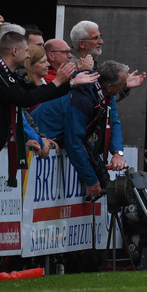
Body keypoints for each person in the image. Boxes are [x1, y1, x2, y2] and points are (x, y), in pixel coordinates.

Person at [0, 31, 92, 187]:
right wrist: (57, 81)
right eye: (26, 51)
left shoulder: (9, 73)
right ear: (15, 51)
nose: (28, 56)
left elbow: (33, 92)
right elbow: (24, 99)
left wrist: (71, 84)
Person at [32, 60, 128, 200]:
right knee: (94, 174)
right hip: (45, 134)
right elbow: (74, 143)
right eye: (122, 85)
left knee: (102, 176)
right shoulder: (82, 98)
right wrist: (90, 180)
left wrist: (117, 153)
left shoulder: (100, 89)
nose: (123, 88)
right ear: (109, 87)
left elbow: (113, 121)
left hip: (63, 135)